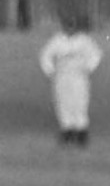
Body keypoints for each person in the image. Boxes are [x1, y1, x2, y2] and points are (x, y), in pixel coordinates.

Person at [39, 10, 103, 148]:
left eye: (72, 25)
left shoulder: (84, 40)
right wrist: (50, 71)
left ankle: (81, 131)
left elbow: (96, 54)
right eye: (68, 25)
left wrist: (88, 68)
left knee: (80, 101)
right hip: (62, 75)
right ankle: (66, 130)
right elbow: (45, 56)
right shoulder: (57, 41)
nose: (70, 28)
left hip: (79, 75)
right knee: (63, 101)